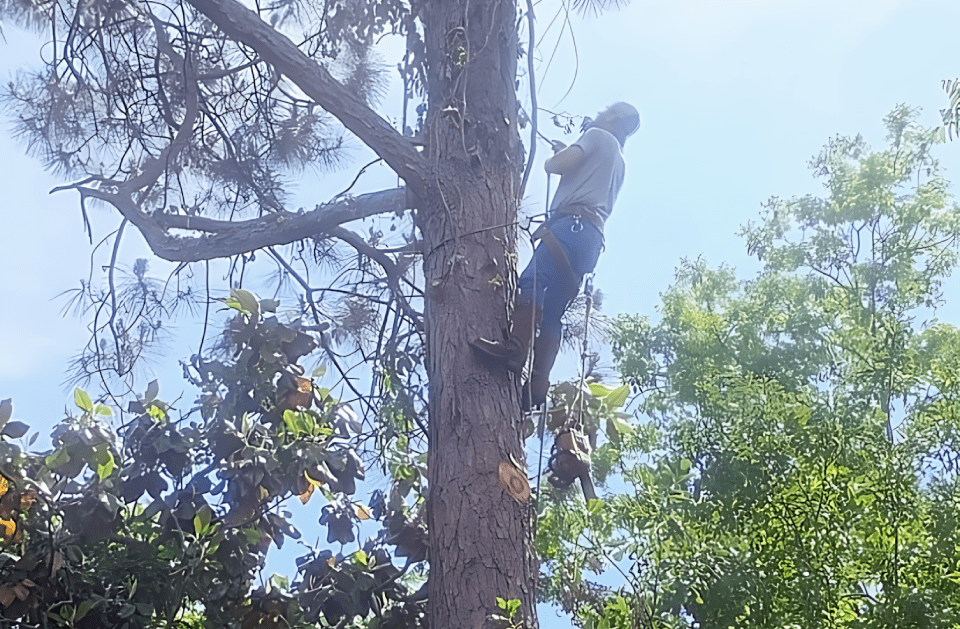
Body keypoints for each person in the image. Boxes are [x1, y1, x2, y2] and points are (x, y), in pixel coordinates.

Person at [471, 102, 641, 409]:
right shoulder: (619, 159)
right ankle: (538, 386)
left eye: (607, 109)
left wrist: (564, 153)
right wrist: (574, 150)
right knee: (553, 313)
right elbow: (584, 170)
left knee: (533, 279)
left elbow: (557, 166)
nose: (600, 110)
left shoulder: (597, 135)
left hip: (570, 226)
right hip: (590, 240)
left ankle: (515, 349)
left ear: (613, 117)